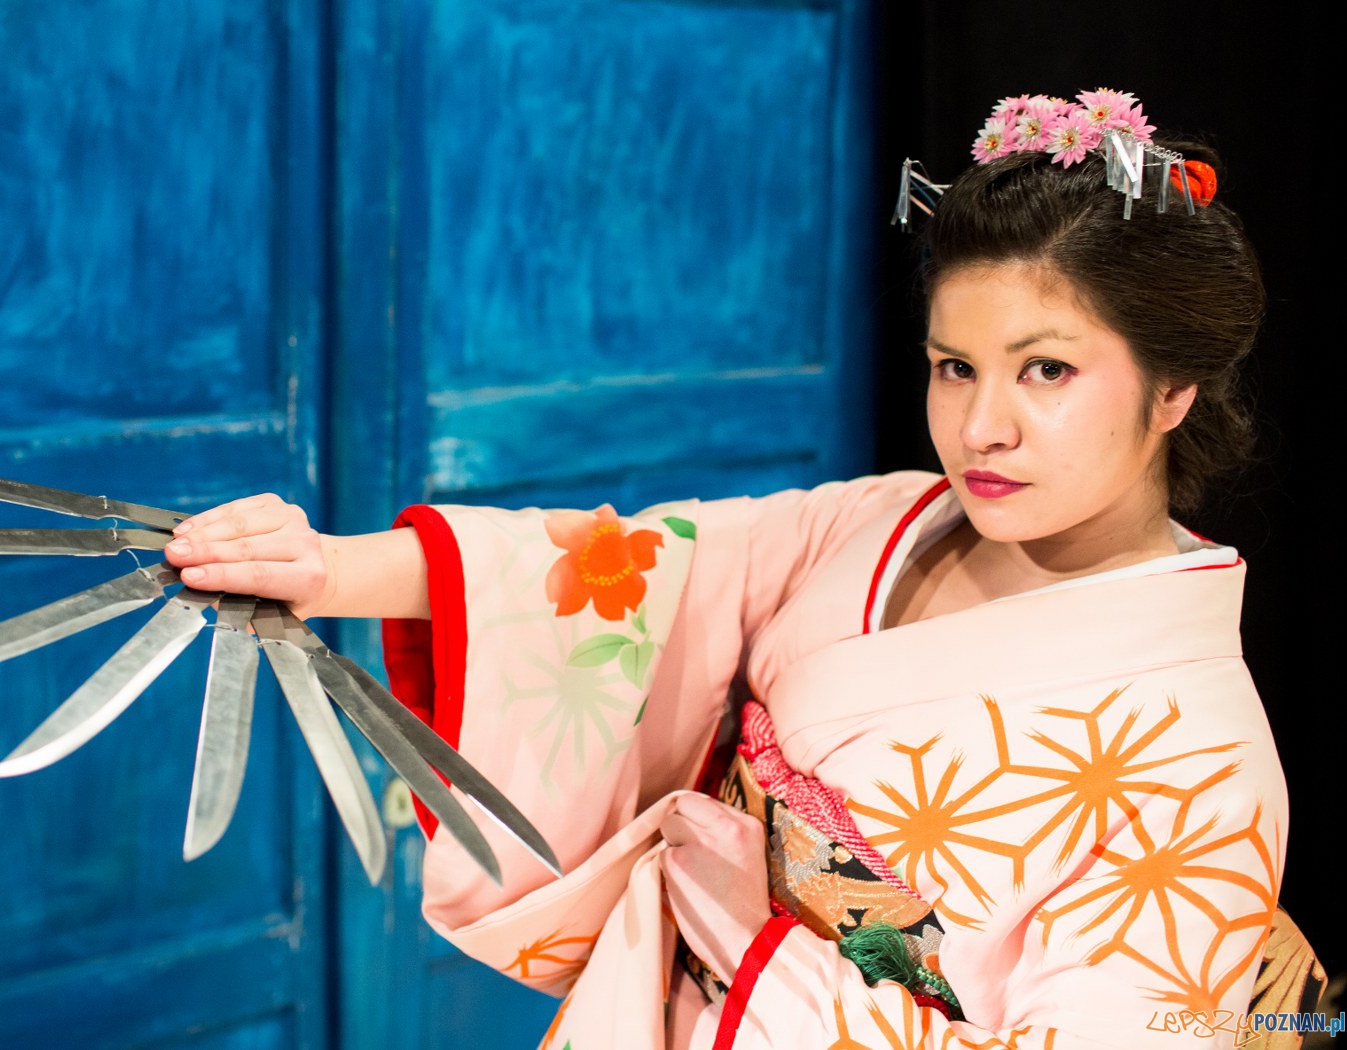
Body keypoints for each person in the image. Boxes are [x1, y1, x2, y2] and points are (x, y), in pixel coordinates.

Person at [163, 92, 1314, 1049]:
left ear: (1173, 389)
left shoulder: (1203, 763)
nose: (980, 429)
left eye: (1046, 371)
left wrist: (762, 956)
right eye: (954, 367)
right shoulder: (886, 520)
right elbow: (626, 571)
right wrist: (322, 569)